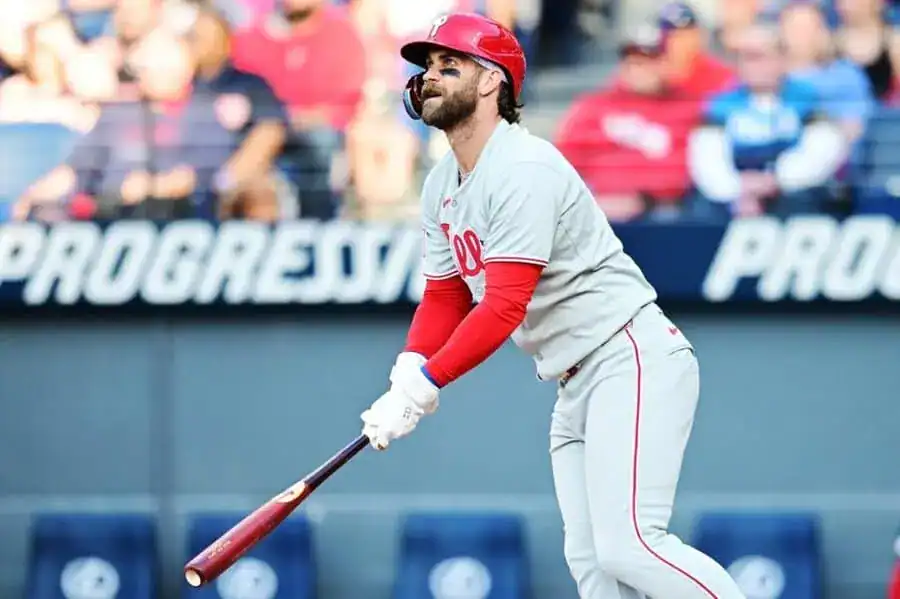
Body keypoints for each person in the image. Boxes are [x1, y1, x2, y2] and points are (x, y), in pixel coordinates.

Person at [357, 12, 747, 599]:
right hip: (572, 379)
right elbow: (445, 294)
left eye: (448, 65)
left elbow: (503, 306)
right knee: (592, 564)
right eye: (426, 68)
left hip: (625, 354)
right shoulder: (442, 182)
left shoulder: (523, 166)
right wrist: (407, 365)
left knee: (632, 545)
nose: (429, 77)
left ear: (491, 82)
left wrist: (426, 384)